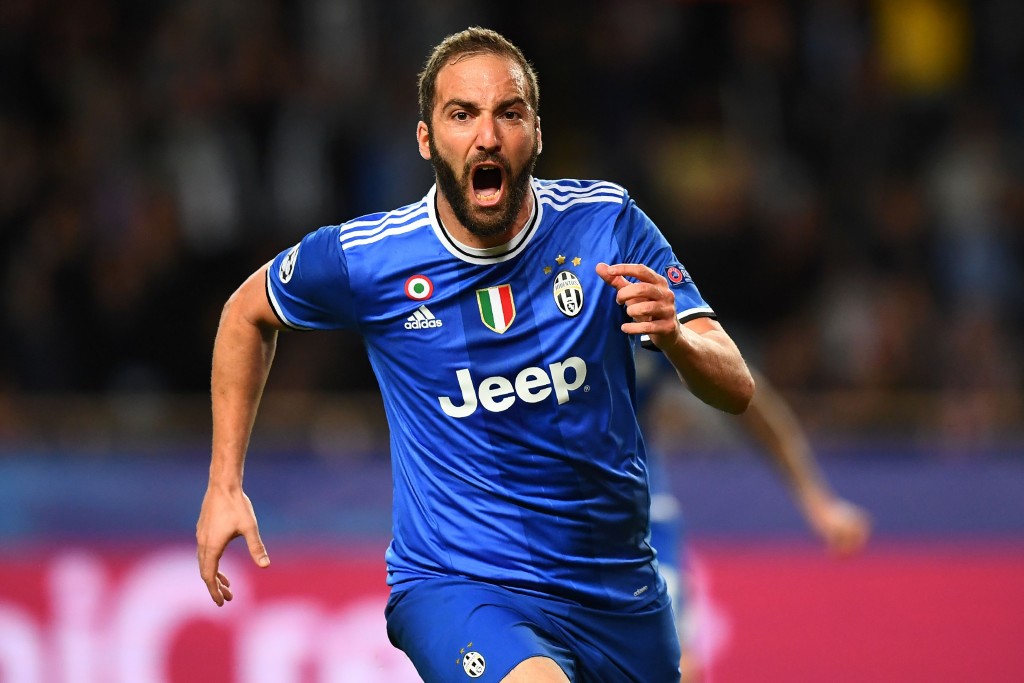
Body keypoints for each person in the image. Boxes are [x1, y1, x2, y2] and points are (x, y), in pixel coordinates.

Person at [196, 27, 755, 683]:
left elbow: (736, 387)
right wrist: (224, 482)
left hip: (616, 590)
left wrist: (678, 339)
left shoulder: (607, 223)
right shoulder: (370, 259)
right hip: (458, 584)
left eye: (508, 113)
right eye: (462, 115)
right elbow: (245, 312)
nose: (487, 135)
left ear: (537, 133)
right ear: (426, 139)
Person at [640, 357, 872, 682]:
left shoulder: (645, 326)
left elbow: (748, 395)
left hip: (639, 511)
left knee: (676, 665)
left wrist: (817, 499)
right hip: (560, 515)